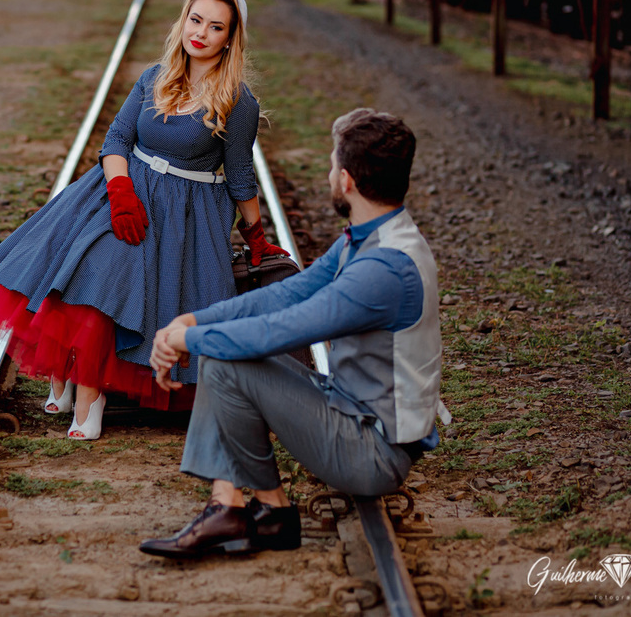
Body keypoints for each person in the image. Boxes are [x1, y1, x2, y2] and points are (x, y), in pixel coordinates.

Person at [0, 0, 287, 440]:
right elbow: (117, 140)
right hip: (122, 190)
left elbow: (239, 176)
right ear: (183, 20)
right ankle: (74, 378)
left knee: (112, 279)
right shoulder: (154, 77)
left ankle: (87, 395)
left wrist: (255, 236)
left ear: (230, 38)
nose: (201, 33)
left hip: (183, 212)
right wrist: (120, 192)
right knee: (85, 265)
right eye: (195, 20)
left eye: (216, 27)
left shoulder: (239, 103)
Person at [140, 108, 448, 558]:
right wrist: (195, 322)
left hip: (373, 452)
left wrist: (185, 342)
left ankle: (245, 509)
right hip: (353, 415)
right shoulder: (371, 238)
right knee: (225, 350)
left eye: (330, 164)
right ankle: (259, 512)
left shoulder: (383, 270)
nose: (328, 173)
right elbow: (284, 295)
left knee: (227, 360)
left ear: (346, 180)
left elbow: (281, 330)